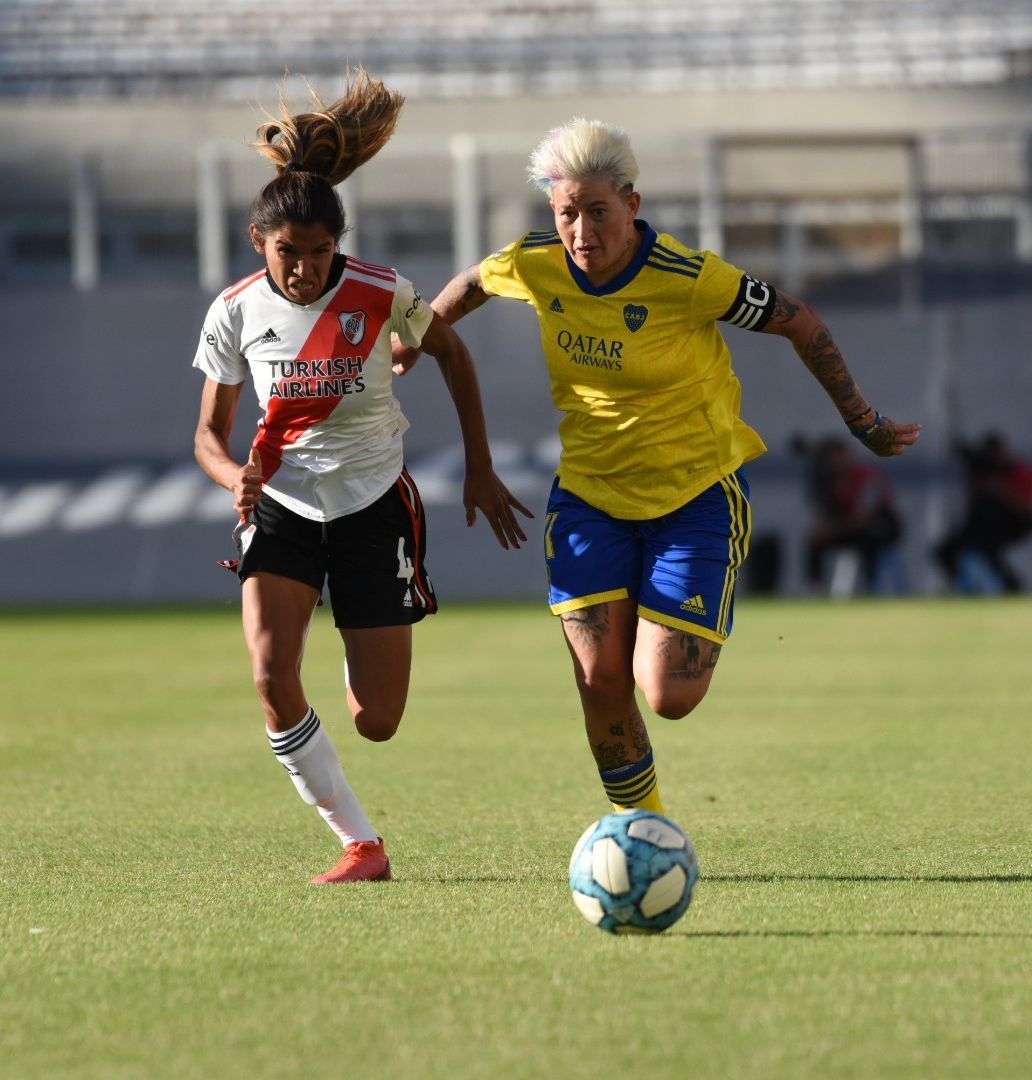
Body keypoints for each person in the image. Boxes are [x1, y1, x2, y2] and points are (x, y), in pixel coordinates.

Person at [394, 118, 920, 816]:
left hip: (695, 495)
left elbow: (801, 321)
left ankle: (679, 621)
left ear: (632, 205)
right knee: (598, 677)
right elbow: (472, 283)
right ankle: (642, 831)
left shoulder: (690, 277)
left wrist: (864, 421)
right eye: (567, 214)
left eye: (598, 211)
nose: (582, 231)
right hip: (589, 497)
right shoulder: (536, 260)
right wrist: (414, 338)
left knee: (667, 694)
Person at [192, 71, 530, 884]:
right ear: (257, 243)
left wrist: (479, 468)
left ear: (337, 245)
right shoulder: (234, 311)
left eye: (318, 252)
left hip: (375, 506)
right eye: (288, 253)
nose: (305, 269)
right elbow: (207, 434)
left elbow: (450, 352)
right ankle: (360, 843)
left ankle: (355, 619)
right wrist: (234, 474)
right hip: (280, 508)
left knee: (377, 721)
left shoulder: (381, 294)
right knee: (273, 679)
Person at [796, 435, 905, 595]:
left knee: (869, 539)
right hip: (849, 529)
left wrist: (833, 529)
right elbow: (827, 514)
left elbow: (864, 518)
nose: (834, 464)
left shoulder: (865, 477)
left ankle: (872, 587)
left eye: (837, 458)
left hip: (880, 526)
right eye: (830, 460)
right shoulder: (831, 482)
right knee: (814, 541)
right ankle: (814, 587)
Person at [934, 432, 1032, 593]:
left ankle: (1011, 587)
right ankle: (972, 588)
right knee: (949, 552)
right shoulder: (981, 469)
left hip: (1013, 524)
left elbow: (1026, 509)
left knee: (987, 549)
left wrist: (998, 489)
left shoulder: (1016, 471)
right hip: (982, 526)